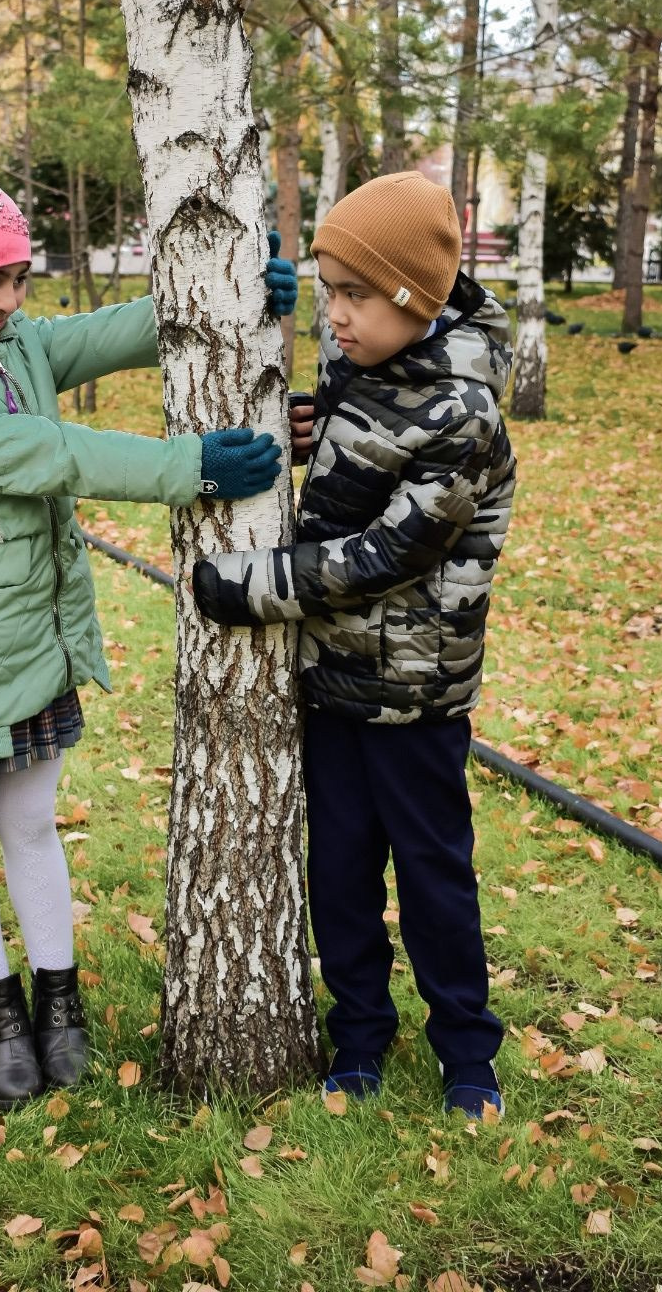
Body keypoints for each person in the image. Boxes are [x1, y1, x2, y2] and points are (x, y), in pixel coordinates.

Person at [0, 157, 296, 1110]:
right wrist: (187, 465)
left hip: (30, 636)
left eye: (18, 278)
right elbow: (43, 453)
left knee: (33, 822)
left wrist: (233, 287)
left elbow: (99, 336)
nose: (9, 301)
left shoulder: (11, 343)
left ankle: (58, 1003)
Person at [193, 171, 516, 1118]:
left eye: (355, 296)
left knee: (432, 878)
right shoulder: (363, 366)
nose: (334, 316)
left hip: (416, 696)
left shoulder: (464, 413)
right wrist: (310, 425)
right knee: (336, 871)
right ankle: (359, 1037)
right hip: (332, 685)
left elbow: (384, 554)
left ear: (414, 299)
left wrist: (248, 589)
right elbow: (354, 461)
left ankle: (467, 1053)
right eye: (329, 292)